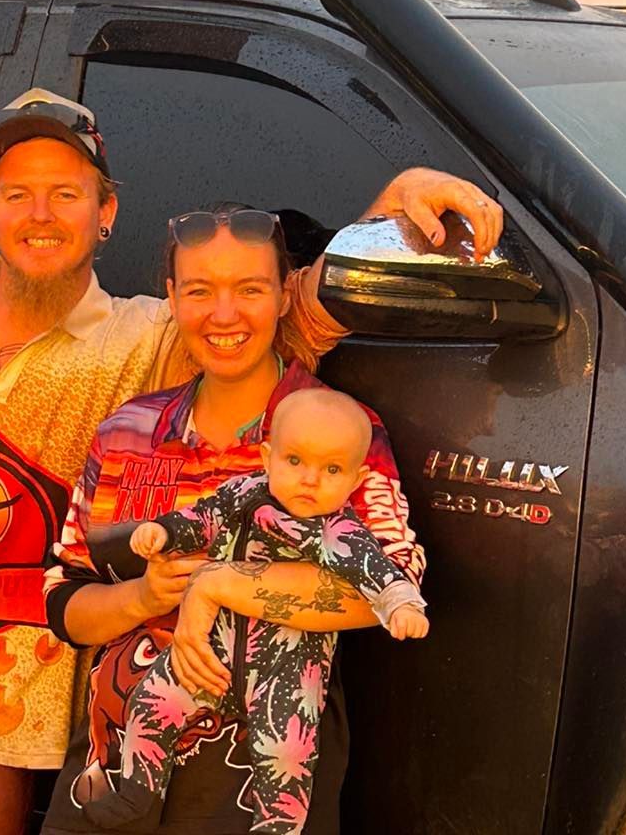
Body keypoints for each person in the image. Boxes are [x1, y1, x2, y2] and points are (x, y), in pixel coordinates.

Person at [0, 87, 502, 834]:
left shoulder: (144, 341)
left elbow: (280, 312)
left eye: (66, 193)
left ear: (107, 214)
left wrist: (387, 216)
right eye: (18, 195)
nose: (40, 215)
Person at [41, 205, 428, 835]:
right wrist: (141, 595)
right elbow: (66, 599)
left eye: (249, 289)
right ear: (171, 298)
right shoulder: (127, 432)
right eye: (199, 290)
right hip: (113, 769)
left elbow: (384, 588)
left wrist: (220, 585)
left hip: (255, 776)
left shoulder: (337, 433)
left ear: (284, 295)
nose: (224, 315)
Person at [84, 388, 428, 835]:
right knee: (153, 701)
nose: (310, 479)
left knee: (288, 755)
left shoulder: (338, 531)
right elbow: (202, 518)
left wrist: (401, 605)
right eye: (295, 461)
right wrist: (163, 532)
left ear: (356, 480)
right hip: (213, 652)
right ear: (268, 456)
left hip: (286, 668)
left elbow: (376, 571)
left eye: (332, 469)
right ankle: (135, 787)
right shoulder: (245, 493)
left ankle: (277, 826)